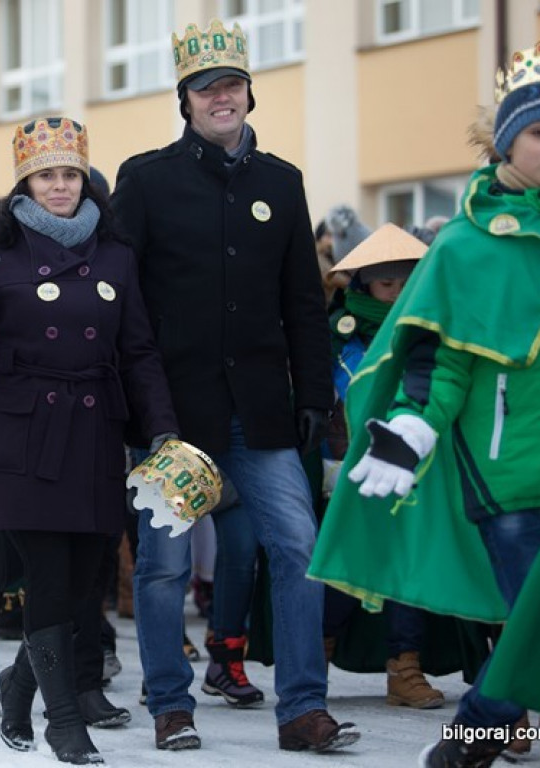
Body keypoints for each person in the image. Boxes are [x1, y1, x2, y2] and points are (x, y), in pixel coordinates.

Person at [110, 18, 359, 753]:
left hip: (260, 411)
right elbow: (124, 303)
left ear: (249, 95)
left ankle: (303, 709)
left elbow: (303, 304)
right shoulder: (147, 179)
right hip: (173, 417)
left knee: (299, 547)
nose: (221, 97)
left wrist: (314, 395)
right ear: (184, 101)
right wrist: (136, 404)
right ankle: (169, 705)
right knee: (163, 566)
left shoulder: (281, 183)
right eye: (205, 87)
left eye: (232, 85)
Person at [309, 41, 540, 768]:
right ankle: (483, 727)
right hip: (504, 475)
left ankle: (482, 728)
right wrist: (414, 426)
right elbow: (435, 356)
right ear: (507, 141)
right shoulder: (466, 245)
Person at [0, 116, 178, 765]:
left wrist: (162, 430)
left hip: (93, 432)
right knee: (45, 575)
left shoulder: (116, 256)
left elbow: (140, 350)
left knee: (79, 581)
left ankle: (16, 687)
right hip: (20, 435)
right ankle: (63, 723)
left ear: (85, 180)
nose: (60, 186)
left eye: (70, 174)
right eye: (46, 175)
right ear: (25, 184)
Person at [320, 223, 448, 709]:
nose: (396, 294)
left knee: (405, 567)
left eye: (405, 282)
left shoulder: (432, 333)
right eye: (386, 284)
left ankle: (405, 667)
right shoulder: (336, 337)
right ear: (363, 285)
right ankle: (316, 660)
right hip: (348, 470)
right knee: (342, 566)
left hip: (414, 469)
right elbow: (325, 400)